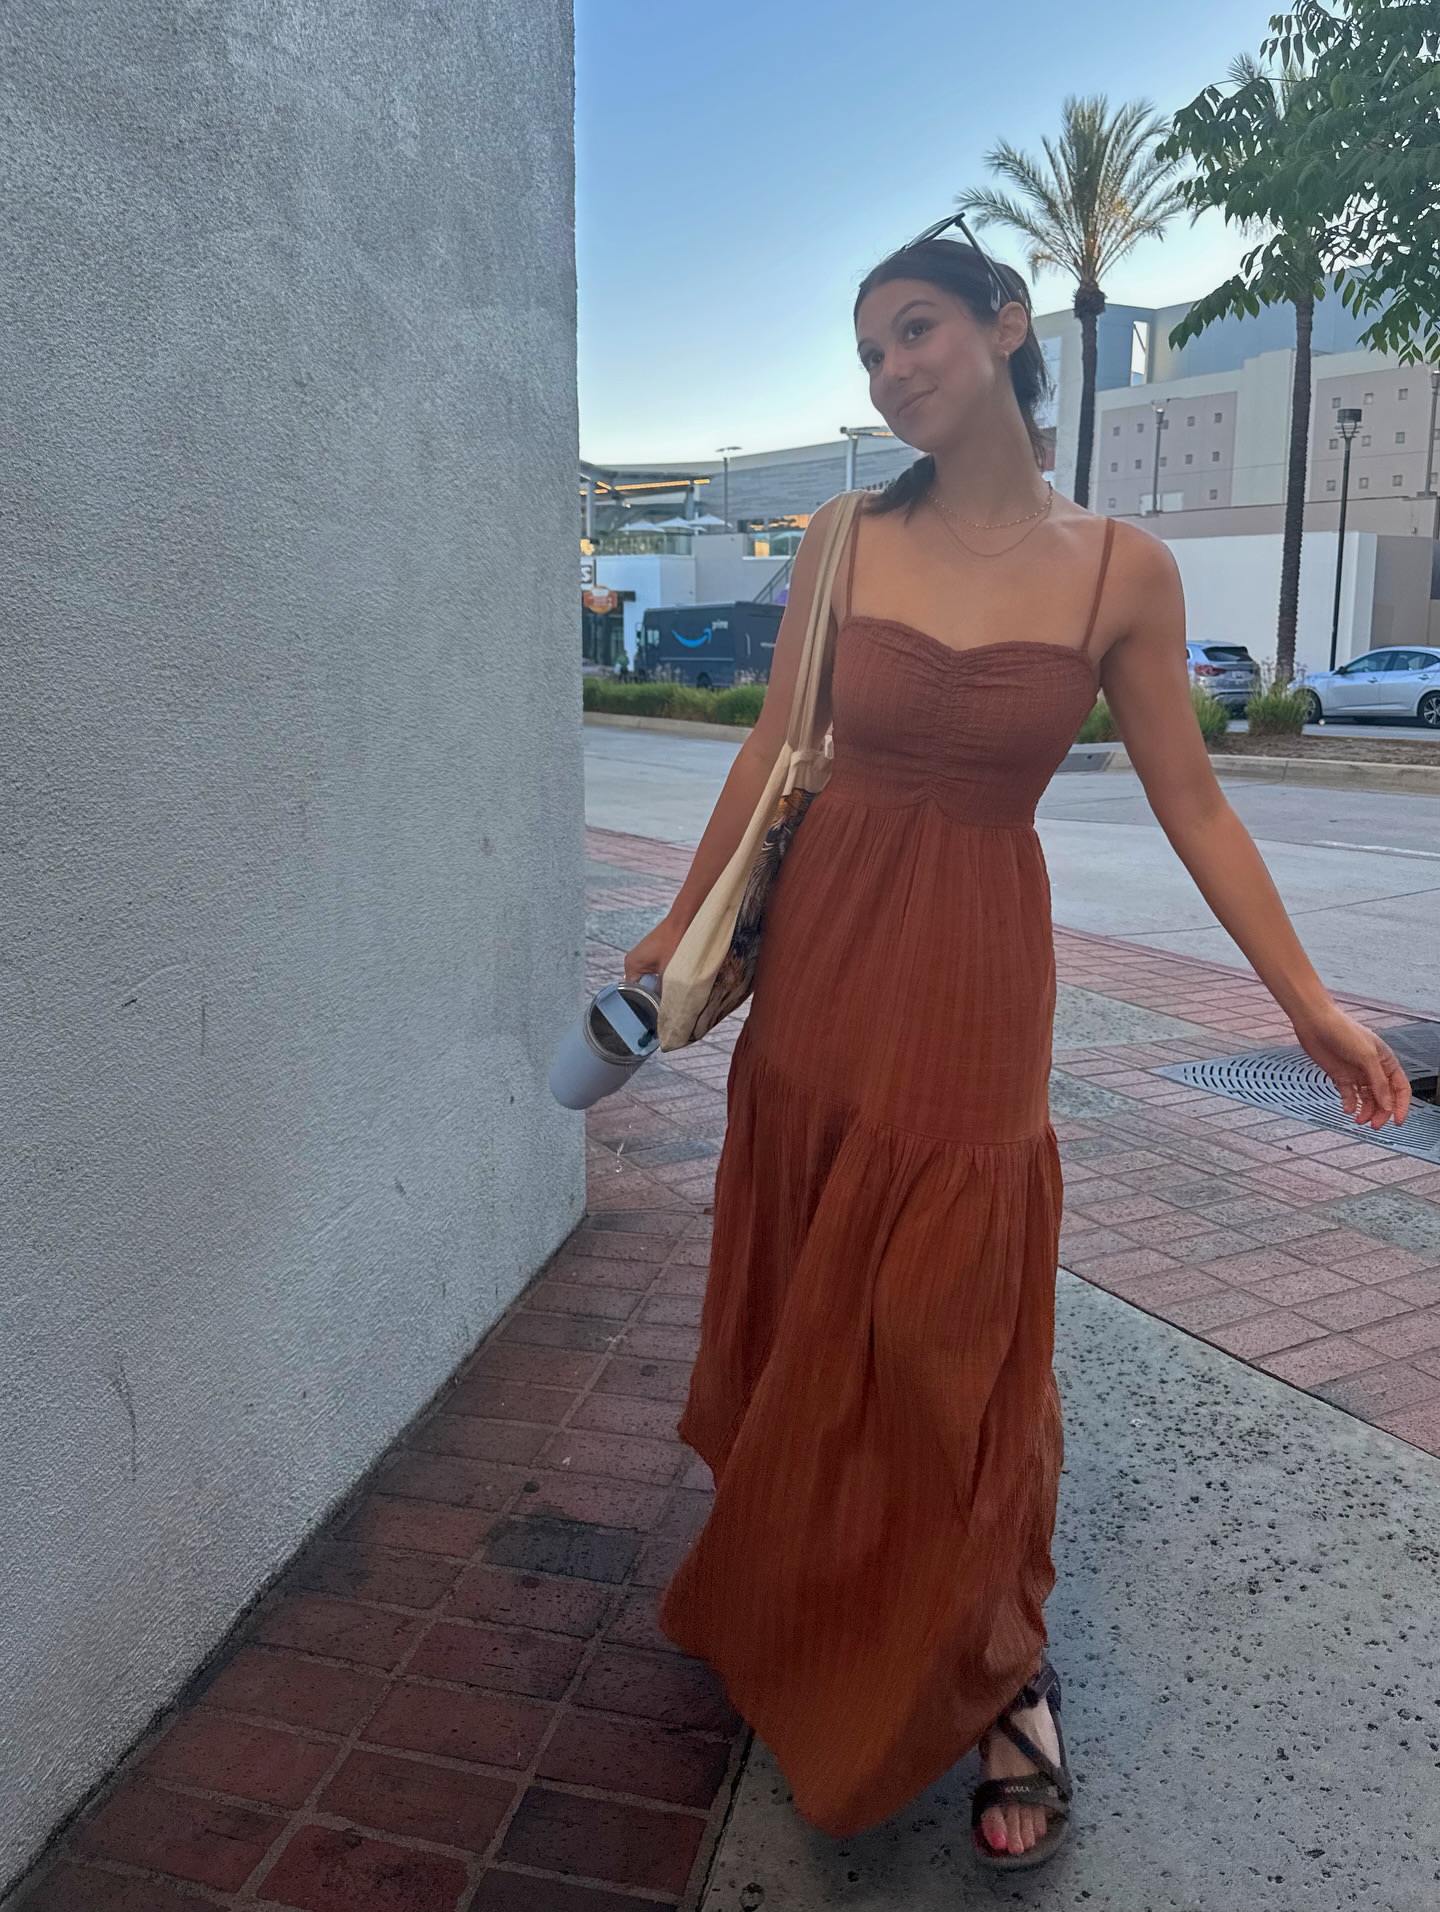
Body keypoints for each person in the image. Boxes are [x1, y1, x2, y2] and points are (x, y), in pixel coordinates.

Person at [621, 216, 1410, 1872]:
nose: (891, 372)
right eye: (868, 352)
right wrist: (681, 928)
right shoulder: (842, 536)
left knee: (952, 1338)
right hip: (827, 957)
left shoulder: (1121, 568)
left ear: (1005, 321)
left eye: (915, 329)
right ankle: (812, 1603)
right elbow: (772, 748)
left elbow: (1196, 803)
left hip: (978, 970)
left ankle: (999, 1663)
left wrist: (1308, 1003)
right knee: (809, 1286)